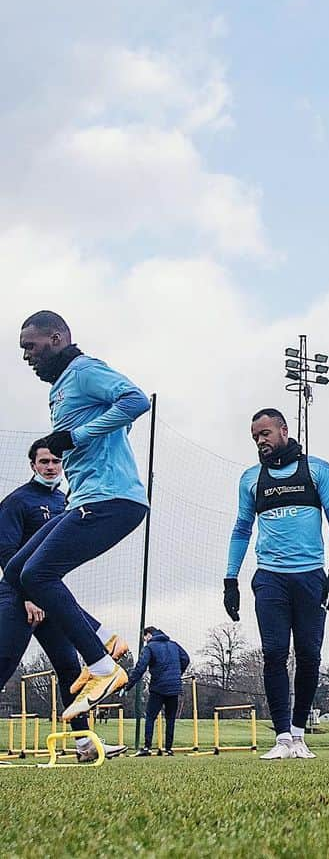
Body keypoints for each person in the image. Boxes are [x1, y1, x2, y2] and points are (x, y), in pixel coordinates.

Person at [4, 311, 150, 723]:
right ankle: (104, 638)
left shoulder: (85, 370)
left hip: (112, 500)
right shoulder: (61, 388)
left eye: (31, 347)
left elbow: (135, 400)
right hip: (85, 498)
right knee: (16, 571)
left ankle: (103, 668)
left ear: (56, 338)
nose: (27, 357)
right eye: (22, 351)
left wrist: (78, 437)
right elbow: (113, 422)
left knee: (37, 576)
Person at [223, 409, 329, 760]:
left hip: (310, 577)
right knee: (274, 654)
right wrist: (230, 579)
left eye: (265, 433)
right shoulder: (251, 479)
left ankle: (298, 735)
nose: (260, 441)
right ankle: (280, 739)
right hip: (270, 578)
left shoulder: (318, 470)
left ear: (283, 430)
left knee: (309, 655)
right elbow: (241, 528)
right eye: (255, 437)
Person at [0, 439, 128, 762]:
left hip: (48, 596)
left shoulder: (66, 501)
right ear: (33, 465)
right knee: (3, 664)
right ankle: (103, 639)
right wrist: (28, 597)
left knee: (71, 668)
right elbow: (6, 553)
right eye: (44, 462)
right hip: (19, 598)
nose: (51, 467)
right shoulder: (17, 502)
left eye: (56, 462)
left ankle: (85, 744)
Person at [129, 626, 190, 756]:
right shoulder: (174, 645)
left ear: (149, 635)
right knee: (170, 718)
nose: (145, 641)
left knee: (150, 716)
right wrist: (177, 673)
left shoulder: (150, 647)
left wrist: (128, 685)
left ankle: (147, 747)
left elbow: (141, 667)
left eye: (144, 638)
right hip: (174, 686)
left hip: (158, 687)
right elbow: (186, 659)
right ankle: (169, 749)